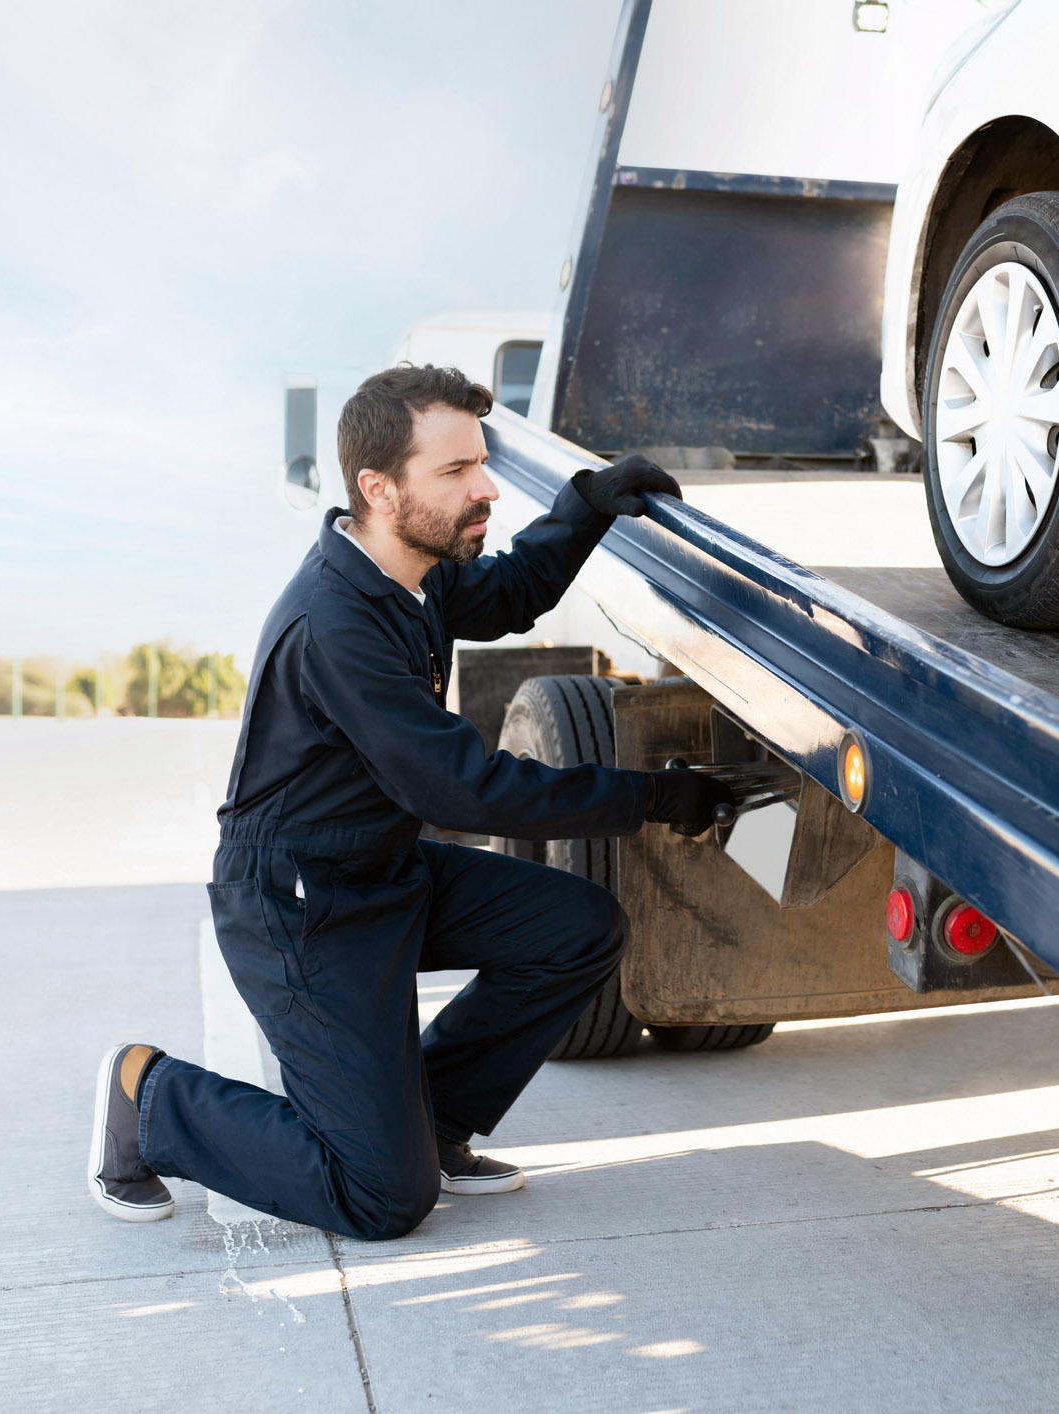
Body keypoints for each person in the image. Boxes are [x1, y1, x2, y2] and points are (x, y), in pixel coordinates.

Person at [84, 364, 729, 1238]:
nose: (487, 486)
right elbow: (459, 787)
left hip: (382, 871)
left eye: (480, 463)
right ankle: (148, 1097)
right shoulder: (336, 623)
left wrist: (588, 503)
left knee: (578, 928)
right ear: (378, 488)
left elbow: (508, 594)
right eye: (457, 471)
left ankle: (430, 1121)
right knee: (381, 1197)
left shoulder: (413, 569)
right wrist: (652, 797)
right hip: (300, 910)